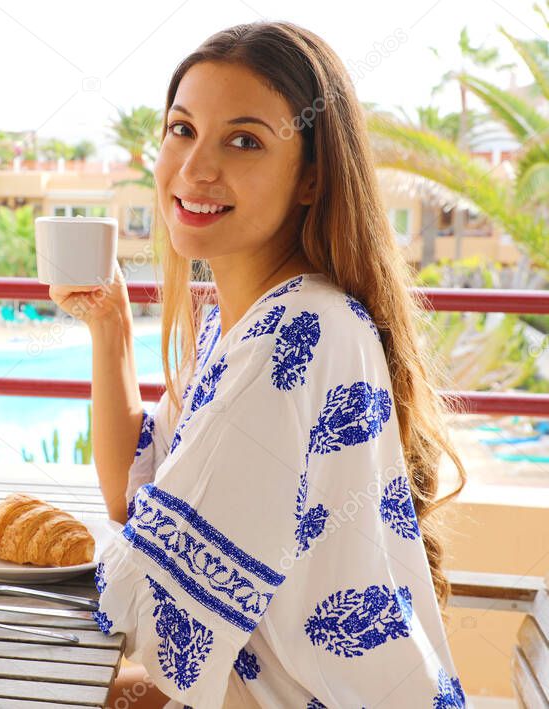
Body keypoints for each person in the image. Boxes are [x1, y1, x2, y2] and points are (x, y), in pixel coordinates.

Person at [49, 20, 469, 709]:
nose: (193, 169)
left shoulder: (295, 333)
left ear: (310, 179)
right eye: (181, 129)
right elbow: (135, 493)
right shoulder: (240, 321)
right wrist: (110, 325)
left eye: (243, 140)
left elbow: (155, 605)